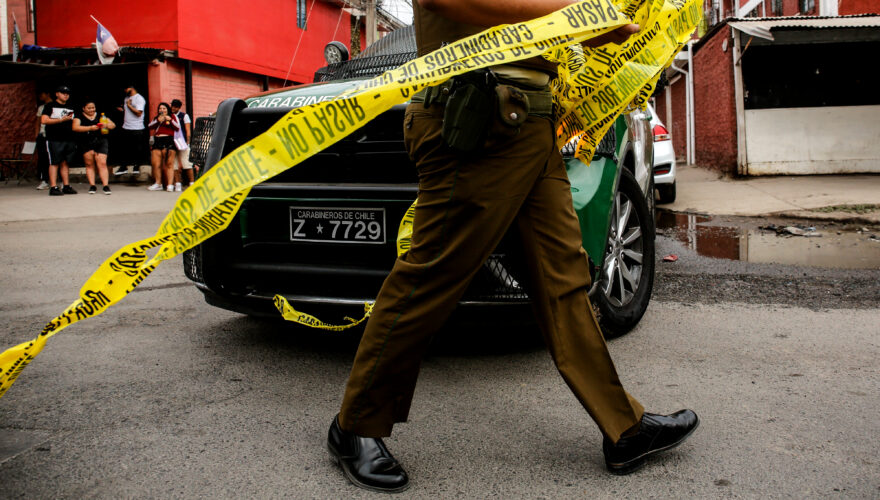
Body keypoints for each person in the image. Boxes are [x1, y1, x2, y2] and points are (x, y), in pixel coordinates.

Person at [326, 0, 698, 492]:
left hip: (531, 123)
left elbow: (534, 31)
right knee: (432, 276)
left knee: (564, 282)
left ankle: (623, 429)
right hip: (477, 120)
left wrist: (585, 34)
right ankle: (355, 425)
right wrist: (580, 13)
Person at [40, 85, 77, 196]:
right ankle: (53, 187)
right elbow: (44, 120)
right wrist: (61, 120)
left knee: (65, 162)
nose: (65, 95)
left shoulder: (71, 106)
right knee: (54, 162)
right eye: (62, 93)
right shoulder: (49, 106)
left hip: (69, 138)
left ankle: (66, 186)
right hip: (54, 138)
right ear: (57, 94)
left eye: (67, 93)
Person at [72, 100, 116, 194]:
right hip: (86, 142)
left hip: (101, 141)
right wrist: (89, 128)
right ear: (83, 108)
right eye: (89, 108)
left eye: (93, 107)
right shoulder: (79, 117)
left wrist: (106, 125)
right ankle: (92, 186)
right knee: (89, 164)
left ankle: (105, 186)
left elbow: (113, 125)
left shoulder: (101, 116)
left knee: (102, 163)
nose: (92, 109)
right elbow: (75, 127)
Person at [114, 84, 147, 176]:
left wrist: (128, 105)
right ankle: (124, 167)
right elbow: (128, 111)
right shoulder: (126, 98)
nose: (125, 90)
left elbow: (139, 113)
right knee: (125, 148)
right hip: (126, 126)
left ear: (132, 87)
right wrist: (123, 109)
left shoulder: (139, 98)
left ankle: (136, 166)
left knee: (137, 148)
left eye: (126, 88)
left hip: (137, 127)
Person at [146, 102, 179, 192]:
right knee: (156, 164)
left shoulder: (172, 116)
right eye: (160, 108)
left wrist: (170, 120)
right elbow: (149, 126)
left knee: (169, 164)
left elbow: (177, 127)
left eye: (164, 108)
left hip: (168, 140)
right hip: (157, 140)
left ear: (167, 109)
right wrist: (158, 121)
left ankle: (170, 185)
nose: (162, 110)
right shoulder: (157, 118)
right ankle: (158, 183)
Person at [170, 99, 193, 191]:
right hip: (172, 141)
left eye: (175, 107)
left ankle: (192, 183)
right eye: (172, 106)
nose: (173, 108)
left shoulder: (184, 116)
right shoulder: (169, 116)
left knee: (186, 163)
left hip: (182, 141)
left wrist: (188, 142)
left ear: (179, 107)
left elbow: (188, 130)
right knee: (174, 164)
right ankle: (177, 183)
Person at [35, 90, 53, 190]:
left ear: (47, 93)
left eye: (41, 93)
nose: (40, 96)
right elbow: (37, 122)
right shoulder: (41, 108)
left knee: (56, 158)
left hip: (53, 136)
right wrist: (37, 135)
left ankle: (62, 181)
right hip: (42, 135)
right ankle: (45, 180)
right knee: (43, 158)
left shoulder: (55, 106)